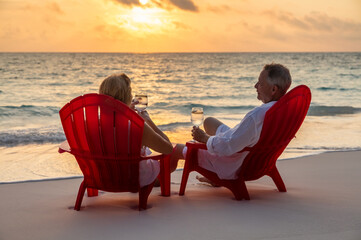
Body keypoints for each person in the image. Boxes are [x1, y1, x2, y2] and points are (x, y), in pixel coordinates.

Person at [170, 63, 292, 181]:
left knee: (175, 150)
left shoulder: (257, 115)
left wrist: (205, 138)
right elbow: (240, 139)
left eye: (260, 83)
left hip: (233, 163)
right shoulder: (283, 110)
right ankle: (213, 176)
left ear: (273, 89)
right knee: (209, 122)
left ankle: (159, 180)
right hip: (254, 158)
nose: (255, 86)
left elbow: (228, 147)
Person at [99, 73, 173, 187]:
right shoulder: (136, 126)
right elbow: (168, 149)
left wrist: (125, 110)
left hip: (103, 177)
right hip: (133, 179)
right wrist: (148, 121)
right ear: (128, 97)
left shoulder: (94, 125)